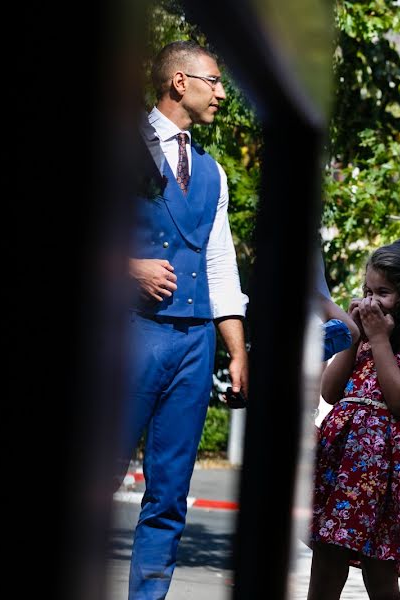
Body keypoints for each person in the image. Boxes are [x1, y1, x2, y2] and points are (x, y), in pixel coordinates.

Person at [122, 40, 249, 600]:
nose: (222, 93)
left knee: (170, 494)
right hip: (128, 335)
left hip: (196, 345)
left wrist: (237, 349)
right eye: (214, 81)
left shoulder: (213, 173)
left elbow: (220, 261)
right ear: (180, 82)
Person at [306, 239, 400, 600]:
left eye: (383, 292)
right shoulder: (366, 339)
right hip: (342, 461)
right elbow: (330, 391)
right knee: (327, 557)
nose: (370, 301)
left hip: (386, 468)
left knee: (379, 565)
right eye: (367, 291)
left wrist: (379, 339)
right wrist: (354, 338)